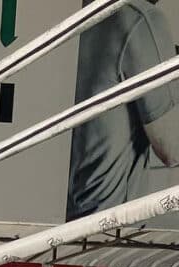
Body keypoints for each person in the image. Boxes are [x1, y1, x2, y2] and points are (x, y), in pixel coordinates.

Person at [67, 0, 179, 221]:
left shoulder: (74, 10)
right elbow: (173, 147)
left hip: (52, 222)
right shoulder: (140, 18)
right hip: (107, 226)